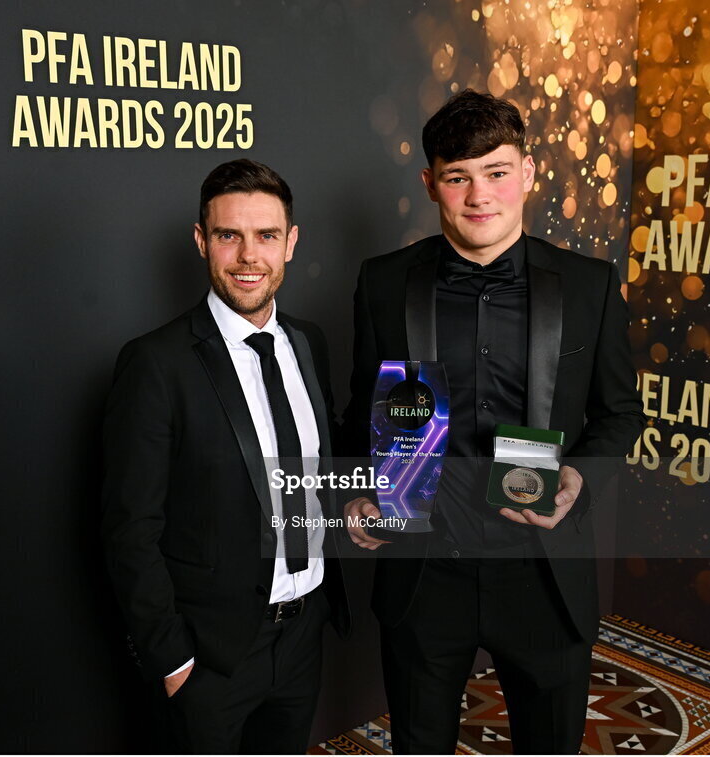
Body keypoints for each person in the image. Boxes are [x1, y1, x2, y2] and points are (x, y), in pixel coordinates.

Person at [340, 91, 644, 754]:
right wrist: (359, 492)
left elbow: (621, 413)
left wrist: (577, 481)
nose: (480, 195)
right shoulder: (384, 282)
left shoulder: (590, 283)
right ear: (431, 184)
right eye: (458, 177)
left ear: (529, 173)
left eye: (498, 172)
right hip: (425, 572)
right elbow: (362, 411)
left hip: (542, 573)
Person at [101, 159, 349, 754]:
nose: (247, 256)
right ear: (201, 241)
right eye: (228, 235)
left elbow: (313, 467)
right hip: (211, 658)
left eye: (266, 235)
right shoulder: (156, 363)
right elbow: (129, 528)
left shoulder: (309, 341)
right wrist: (173, 660)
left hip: (303, 634)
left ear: (291, 242)